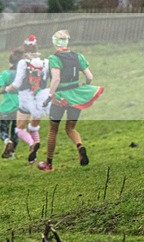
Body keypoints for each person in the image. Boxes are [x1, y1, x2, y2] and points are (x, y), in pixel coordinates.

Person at [38, 30, 104, 172]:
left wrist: (50, 95)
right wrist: (85, 85)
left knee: (53, 129)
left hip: (60, 97)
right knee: (70, 128)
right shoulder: (78, 56)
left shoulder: (54, 58)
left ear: (55, 43)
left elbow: (56, 79)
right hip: (76, 95)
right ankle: (80, 146)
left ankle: (48, 164)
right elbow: (90, 76)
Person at [1, 38, 50, 163]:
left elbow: (17, 84)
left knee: (20, 129)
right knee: (34, 127)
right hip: (40, 97)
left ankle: (32, 143)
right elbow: (46, 79)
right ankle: (33, 158)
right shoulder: (46, 61)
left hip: (25, 99)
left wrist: (6, 89)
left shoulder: (23, 63)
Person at [0, 49, 23, 159]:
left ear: (10, 62)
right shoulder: (22, 75)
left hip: (6, 106)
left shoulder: (5, 74)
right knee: (15, 130)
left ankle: (6, 140)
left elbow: (1, 89)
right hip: (20, 105)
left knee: (2, 128)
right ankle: (11, 153)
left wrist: (4, 90)